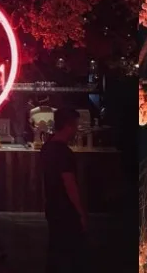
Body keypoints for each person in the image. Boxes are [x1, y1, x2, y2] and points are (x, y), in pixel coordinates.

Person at [40, 107, 87, 272]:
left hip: (52, 206)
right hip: (66, 209)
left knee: (55, 251)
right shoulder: (64, 153)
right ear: (68, 126)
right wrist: (80, 212)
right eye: (75, 126)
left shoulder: (46, 148)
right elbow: (69, 183)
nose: (76, 130)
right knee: (73, 254)